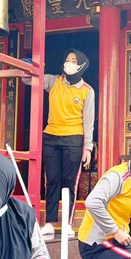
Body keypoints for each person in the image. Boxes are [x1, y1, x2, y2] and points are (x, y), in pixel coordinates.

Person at [40, 49, 95, 239]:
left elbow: (89, 121)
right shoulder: (53, 81)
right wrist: (32, 65)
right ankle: (49, 222)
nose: (69, 63)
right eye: (67, 59)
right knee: (52, 180)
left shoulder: (87, 90)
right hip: (51, 137)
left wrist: (87, 147)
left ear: (82, 65)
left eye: (74, 60)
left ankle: (67, 224)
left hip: (74, 139)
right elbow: (30, 79)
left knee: (69, 183)